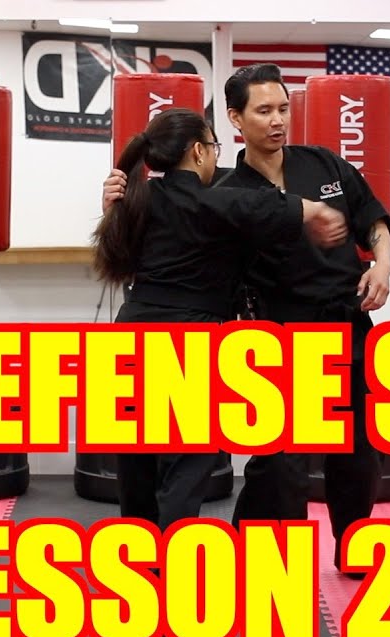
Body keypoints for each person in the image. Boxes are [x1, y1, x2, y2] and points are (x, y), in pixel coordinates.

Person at [102, 64, 390, 578]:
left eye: (283, 108)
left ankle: (352, 546)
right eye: (264, 111)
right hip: (276, 336)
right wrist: (120, 200)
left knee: (358, 448)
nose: (278, 120)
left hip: (346, 324)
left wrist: (383, 265)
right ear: (235, 119)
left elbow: (372, 218)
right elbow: (219, 220)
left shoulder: (323, 162)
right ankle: (261, 559)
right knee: (277, 461)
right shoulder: (224, 189)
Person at [92, 107, 351, 536]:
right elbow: (266, 205)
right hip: (189, 338)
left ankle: (138, 558)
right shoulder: (214, 203)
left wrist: (111, 205)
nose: (216, 156)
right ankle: (175, 558)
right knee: (187, 462)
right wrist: (319, 211)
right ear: (198, 151)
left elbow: (119, 253)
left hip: (129, 335)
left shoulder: (139, 199)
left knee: (136, 459)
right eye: (213, 147)